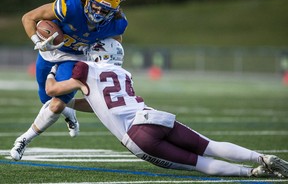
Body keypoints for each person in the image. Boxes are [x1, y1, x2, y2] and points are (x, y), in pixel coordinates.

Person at [10, 38, 288, 178]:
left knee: (201, 164)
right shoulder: (124, 75)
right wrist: (72, 104)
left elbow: (51, 92)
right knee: (209, 145)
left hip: (137, 136)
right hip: (153, 117)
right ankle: (260, 157)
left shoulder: (84, 68)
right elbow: (96, 103)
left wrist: (52, 68)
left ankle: (250, 173)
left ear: (96, 52)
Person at [19, 0, 128, 139]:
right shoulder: (69, 5)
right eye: (95, 7)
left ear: (113, 11)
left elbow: (115, 42)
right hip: (50, 52)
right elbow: (28, 17)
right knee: (45, 98)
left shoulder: (117, 23)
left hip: (76, 57)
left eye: (104, 11)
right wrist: (38, 42)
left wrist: (100, 54)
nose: (98, 13)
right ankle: (70, 116)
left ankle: (24, 140)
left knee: (57, 101)